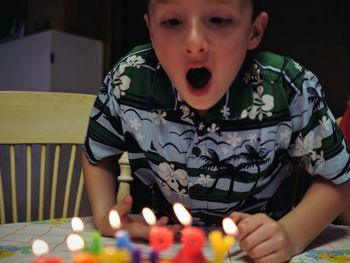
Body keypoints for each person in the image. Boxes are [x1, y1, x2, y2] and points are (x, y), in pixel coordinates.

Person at [82, 0, 350, 262]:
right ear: (151, 30)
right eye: (173, 21)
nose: (195, 43)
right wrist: (107, 215)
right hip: (167, 247)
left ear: (253, 31)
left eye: (218, 20)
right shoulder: (128, 79)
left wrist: (290, 235)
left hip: (258, 251)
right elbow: (98, 150)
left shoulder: (288, 87)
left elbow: (338, 177)